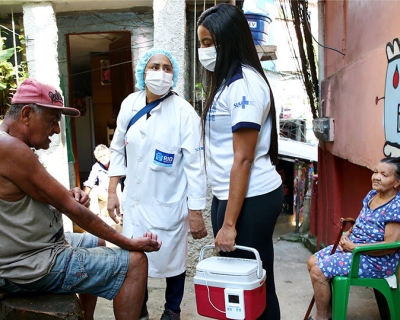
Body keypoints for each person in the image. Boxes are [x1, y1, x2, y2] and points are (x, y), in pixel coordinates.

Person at [0, 78, 162, 320]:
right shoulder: (9, 148)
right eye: (53, 120)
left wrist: (69, 192)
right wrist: (128, 243)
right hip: (25, 265)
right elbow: (72, 211)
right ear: (26, 114)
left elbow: (42, 191)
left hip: (33, 249)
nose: (56, 129)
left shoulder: (11, 145)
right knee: (135, 262)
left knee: (95, 242)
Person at [107, 48, 208, 320]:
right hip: (136, 204)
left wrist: (196, 212)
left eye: (167, 68)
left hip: (169, 205)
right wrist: (112, 191)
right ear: (143, 71)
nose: (160, 73)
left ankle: (172, 310)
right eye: (155, 66)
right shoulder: (130, 104)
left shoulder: (184, 113)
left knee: (173, 261)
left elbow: (195, 168)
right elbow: (117, 149)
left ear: (173, 75)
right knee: (134, 260)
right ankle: (139, 309)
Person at [197, 4, 283, 320]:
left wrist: (230, 225)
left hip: (252, 198)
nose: (204, 51)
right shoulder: (224, 84)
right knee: (245, 285)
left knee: (249, 285)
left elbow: (243, 159)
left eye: (210, 43)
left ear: (229, 40)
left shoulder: (245, 85)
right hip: (231, 195)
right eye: (202, 43)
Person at [307, 157, 400, 320]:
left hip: (375, 260)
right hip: (355, 249)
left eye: (384, 175)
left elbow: (391, 246)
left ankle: (321, 317)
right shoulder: (373, 194)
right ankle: (329, 311)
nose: (377, 177)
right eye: (376, 172)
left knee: (318, 270)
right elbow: (362, 220)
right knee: (312, 261)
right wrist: (348, 234)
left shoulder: (396, 207)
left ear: (397, 182)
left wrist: (354, 247)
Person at [83, 144, 121, 219]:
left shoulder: (116, 164)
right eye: (100, 156)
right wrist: (83, 198)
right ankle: (95, 217)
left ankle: (121, 216)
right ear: (97, 159)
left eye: (104, 155)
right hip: (105, 193)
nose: (103, 157)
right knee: (93, 189)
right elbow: (90, 182)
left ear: (109, 155)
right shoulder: (96, 167)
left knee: (118, 186)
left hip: (118, 194)